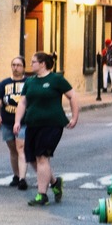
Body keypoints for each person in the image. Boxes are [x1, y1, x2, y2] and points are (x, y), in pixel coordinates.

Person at [13, 51, 79, 206]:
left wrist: (74, 117)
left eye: (33, 62)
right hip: (32, 124)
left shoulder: (56, 79)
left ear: (42, 64)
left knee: (42, 157)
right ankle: (55, 182)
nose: (31, 64)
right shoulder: (30, 82)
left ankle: (42, 194)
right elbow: (23, 102)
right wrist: (17, 121)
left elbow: (72, 96)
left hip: (52, 124)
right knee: (32, 159)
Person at [0, 56, 28, 190]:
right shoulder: (4, 84)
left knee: (21, 148)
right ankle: (16, 175)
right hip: (7, 121)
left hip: (24, 121)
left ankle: (22, 179)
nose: (16, 68)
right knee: (13, 149)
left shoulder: (28, 83)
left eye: (18, 65)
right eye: (13, 65)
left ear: (23, 67)